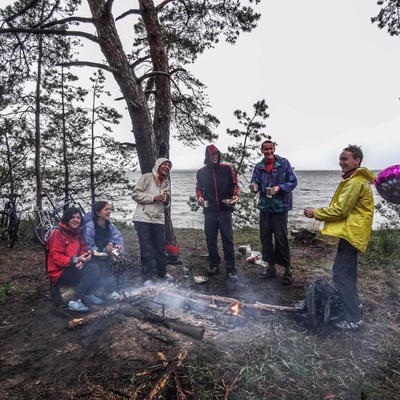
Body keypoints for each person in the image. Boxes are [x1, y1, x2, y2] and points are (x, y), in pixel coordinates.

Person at [304, 144, 375, 331]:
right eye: (340, 158)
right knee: (347, 273)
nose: (341, 162)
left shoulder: (355, 182)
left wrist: (315, 213)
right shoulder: (356, 180)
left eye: (345, 159)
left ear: (356, 160)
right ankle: (354, 307)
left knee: (341, 274)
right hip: (353, 233)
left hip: (352, 234)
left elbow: (340, 210)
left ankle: (353, 318)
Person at [250, 139, 297, 285]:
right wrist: (254, 186)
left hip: (280, 207)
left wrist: (279, 188)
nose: (269, 152)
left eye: (271, 149)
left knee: (281, 239)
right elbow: (255, 182)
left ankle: (287, 271)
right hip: (265, 208)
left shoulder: (283, 163)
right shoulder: (259, 167)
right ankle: (270, 269)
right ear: (262, 151)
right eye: (266, 149)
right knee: (265, 238)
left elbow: (293, 181)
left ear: (274, 149)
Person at [47, 207, 103, 312]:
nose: (76, 220)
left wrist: (83, 259)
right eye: (72, 217)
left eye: (78, 217)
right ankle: (75, 300)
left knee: (99, 264)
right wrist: (76, 260)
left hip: (72, 266)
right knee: (92, 269)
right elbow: (56, 258)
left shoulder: (77, 232)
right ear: (67, 219)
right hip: (59, 272)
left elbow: (83, 249)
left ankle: (88, 294)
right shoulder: (58, 232)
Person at [195, 144, 239, 282]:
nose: (214, 157)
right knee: (211, 239)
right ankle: (214, 264)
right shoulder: (201, 172)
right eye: (212, 155)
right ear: (207, 156)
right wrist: (200, 197)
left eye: (216, 155)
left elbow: (234, 185)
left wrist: (234, 197)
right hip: (210, 211)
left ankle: (231, 269)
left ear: (219, 155)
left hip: (225, 210)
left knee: (228, 240)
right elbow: (198, 188)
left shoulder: (226, 169)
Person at [132, 158, 174, 287]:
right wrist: (153, 197)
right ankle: (147, 277)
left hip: (158, 219)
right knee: (146, 248)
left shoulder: (166, 183)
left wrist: (166, 201)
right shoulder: (147, 177)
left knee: (160, 247)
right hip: (143, 218)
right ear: (158, 165)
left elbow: (165, 205)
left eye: (169, 166)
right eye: (164, 165)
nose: (167, 167)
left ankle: (162, 272)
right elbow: (135, 194)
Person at [83, 201, 126, 300]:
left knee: (122, 259)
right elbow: (88, 245)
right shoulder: (90, 227)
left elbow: (118, 238)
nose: (109, 211)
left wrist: (117, 247)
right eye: (106, 209)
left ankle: (118, 288)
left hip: (105, 253)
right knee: (113, 261)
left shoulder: (109, 225)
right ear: (98, 213)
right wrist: (103, 250)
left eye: (109, 209)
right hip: (92, 255)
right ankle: (108, 291)